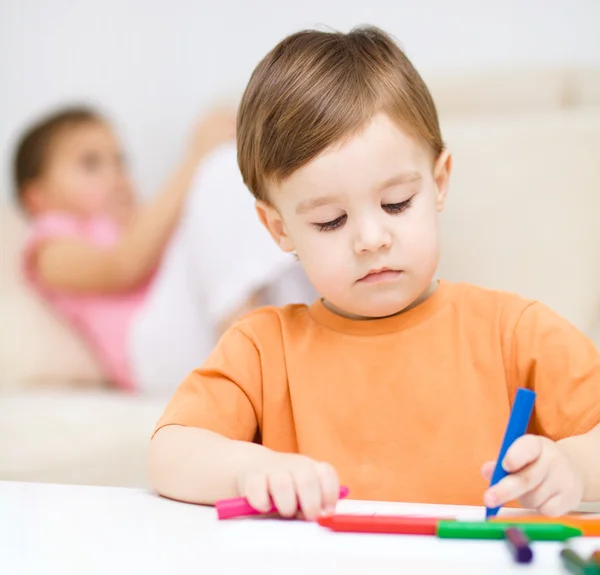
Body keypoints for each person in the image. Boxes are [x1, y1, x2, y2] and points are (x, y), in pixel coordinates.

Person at [148, 26, 600, 520]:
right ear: (280, 229)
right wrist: (248, 469)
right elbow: (169, 453)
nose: (371, 239)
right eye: (330, 221)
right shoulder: (261, 349)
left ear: (439, 183)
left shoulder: (515, 334)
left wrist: (572, 466)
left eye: (396, 203)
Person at [15, 106, 315, 394]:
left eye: (121, 162)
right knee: (220, 169)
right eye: (91, 163)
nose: (116, 176)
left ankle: (313, 341)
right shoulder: (48, 243)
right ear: (36, 197)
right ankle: (249, 367)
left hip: (185, 331)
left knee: (260, 212)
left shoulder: (133, 222)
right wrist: (197, 155)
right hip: (148, 354)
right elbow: (123, 265)